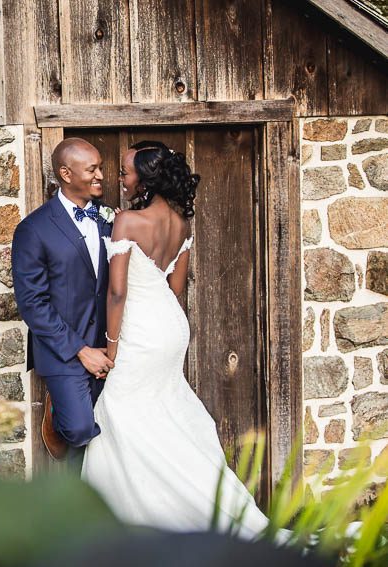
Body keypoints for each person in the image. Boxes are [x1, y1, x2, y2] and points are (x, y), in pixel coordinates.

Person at [81, 140, 275, 538]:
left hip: (141, 331)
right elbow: (176, 288)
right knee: (161, 409)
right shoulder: (181, 224)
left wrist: (112, 347)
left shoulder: (127, 222)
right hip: (171, 325)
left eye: (126, 173)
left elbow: (117, 293)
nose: (120, 178)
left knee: (120, 409)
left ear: (146, 179)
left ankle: (132, 518)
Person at [11, 138, 115, 472]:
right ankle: (57, 410)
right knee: (80, 429)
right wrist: (81, 350)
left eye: (101, 167)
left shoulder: (109, 219)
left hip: (110, 345)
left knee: (116, 428)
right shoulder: (33, 229)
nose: (101, 175)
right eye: (92, 169)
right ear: (66, 174)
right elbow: (32, 303)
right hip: (64, 349)